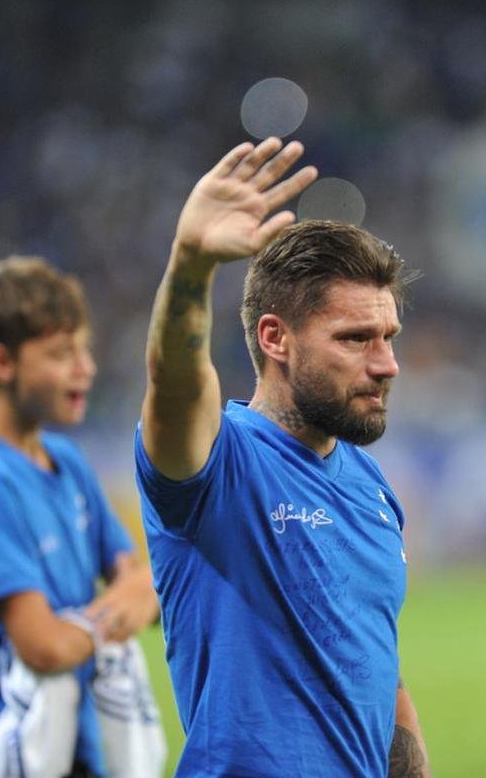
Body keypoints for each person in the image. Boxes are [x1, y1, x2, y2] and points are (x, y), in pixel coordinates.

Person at [134, 137, 431, 776]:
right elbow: (176, 381)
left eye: (389, 337)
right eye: (355, 339)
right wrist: (191, 263)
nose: (387, 364)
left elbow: (376, 661)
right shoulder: (219, 465)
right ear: (275, 338)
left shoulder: (370, 485)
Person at [0, 256, 160, 778]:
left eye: (84, 349)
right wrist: (123, 607)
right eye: (61, 353)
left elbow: (141, 581)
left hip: (63, 738)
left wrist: (126, 599)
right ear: (0, 362)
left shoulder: (66, 462)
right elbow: (43, 646)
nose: (86, 368)